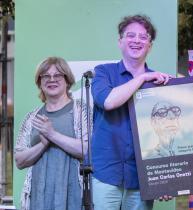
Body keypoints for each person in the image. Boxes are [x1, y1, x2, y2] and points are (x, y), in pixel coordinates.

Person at [91, 14, 172, 210]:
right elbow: (108, 101)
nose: (137, 41)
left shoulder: (160, 84)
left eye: (143, 37)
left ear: (150, 45)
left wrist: (167, 180)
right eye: (131, 35)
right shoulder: (103, 72)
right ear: (120, 42)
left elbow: (169, 133)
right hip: (106, 174)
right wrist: (142, 79)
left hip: (142, 177)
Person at [14, 57, 90, 210]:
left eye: (57, 75)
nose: (52, 79)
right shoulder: (31, 117)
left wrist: (52, 134)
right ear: (40, 82)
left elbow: (87, 150)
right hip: (37, 198)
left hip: (73, 197)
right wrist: (43, 144)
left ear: (67, 80)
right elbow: (19, 160)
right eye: (46, 76)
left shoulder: (81, 110)